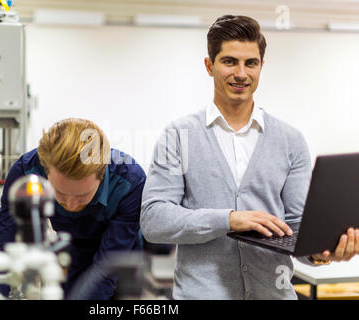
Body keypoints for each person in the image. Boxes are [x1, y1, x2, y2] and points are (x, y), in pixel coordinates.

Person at [140, 15, 359, 300]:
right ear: (209, 66)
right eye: (230, 61)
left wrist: (320, 251)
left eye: (251, 63)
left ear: (261, 66)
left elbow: (295, 228)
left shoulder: (289, 140)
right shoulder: (178, 136)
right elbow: (154, 220)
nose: (241, 73)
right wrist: (228, 219)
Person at [0, 118, 146, 299]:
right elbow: (4, 246)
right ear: (45, 171)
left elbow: (107, 268)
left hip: (120, 258)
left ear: (102, 174)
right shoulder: (26, 171)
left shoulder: (130, 182)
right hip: (70, 250)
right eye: (60, 194)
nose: (72, 205)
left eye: (82, 196)